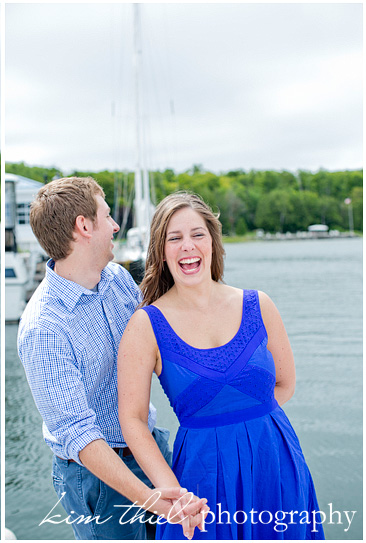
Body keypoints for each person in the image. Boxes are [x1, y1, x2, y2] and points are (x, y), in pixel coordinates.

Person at [118, 191, 324, 539]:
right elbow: (133, 419)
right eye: (175, 237)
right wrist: (173, 493)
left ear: (213, 241)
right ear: (160, 250)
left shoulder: (259, 305)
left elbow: (285, 384)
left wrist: (248, 431)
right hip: (202, 478)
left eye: (197, 234)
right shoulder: (146, 325)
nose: (188, 246)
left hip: (275, 464)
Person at [17, 177, 207, 540]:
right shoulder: (43, 328)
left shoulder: (116, 277)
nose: (116, 226)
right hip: (97, 477)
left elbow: (158, 344)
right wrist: (153, 500)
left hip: (149, 447)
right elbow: (80, 437)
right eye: (107, 216)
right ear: (84, 226)